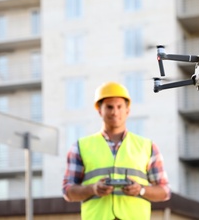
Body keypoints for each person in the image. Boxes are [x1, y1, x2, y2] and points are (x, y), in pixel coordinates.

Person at [63, 82, 170, 220]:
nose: (115, 112)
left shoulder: (147, 146)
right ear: (99, 110)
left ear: (127, 110)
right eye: (109, 107)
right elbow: (68, 191)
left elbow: (164, 191)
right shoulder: (80, 147)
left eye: (119, 107)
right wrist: (93, 188)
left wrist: (141, 189)